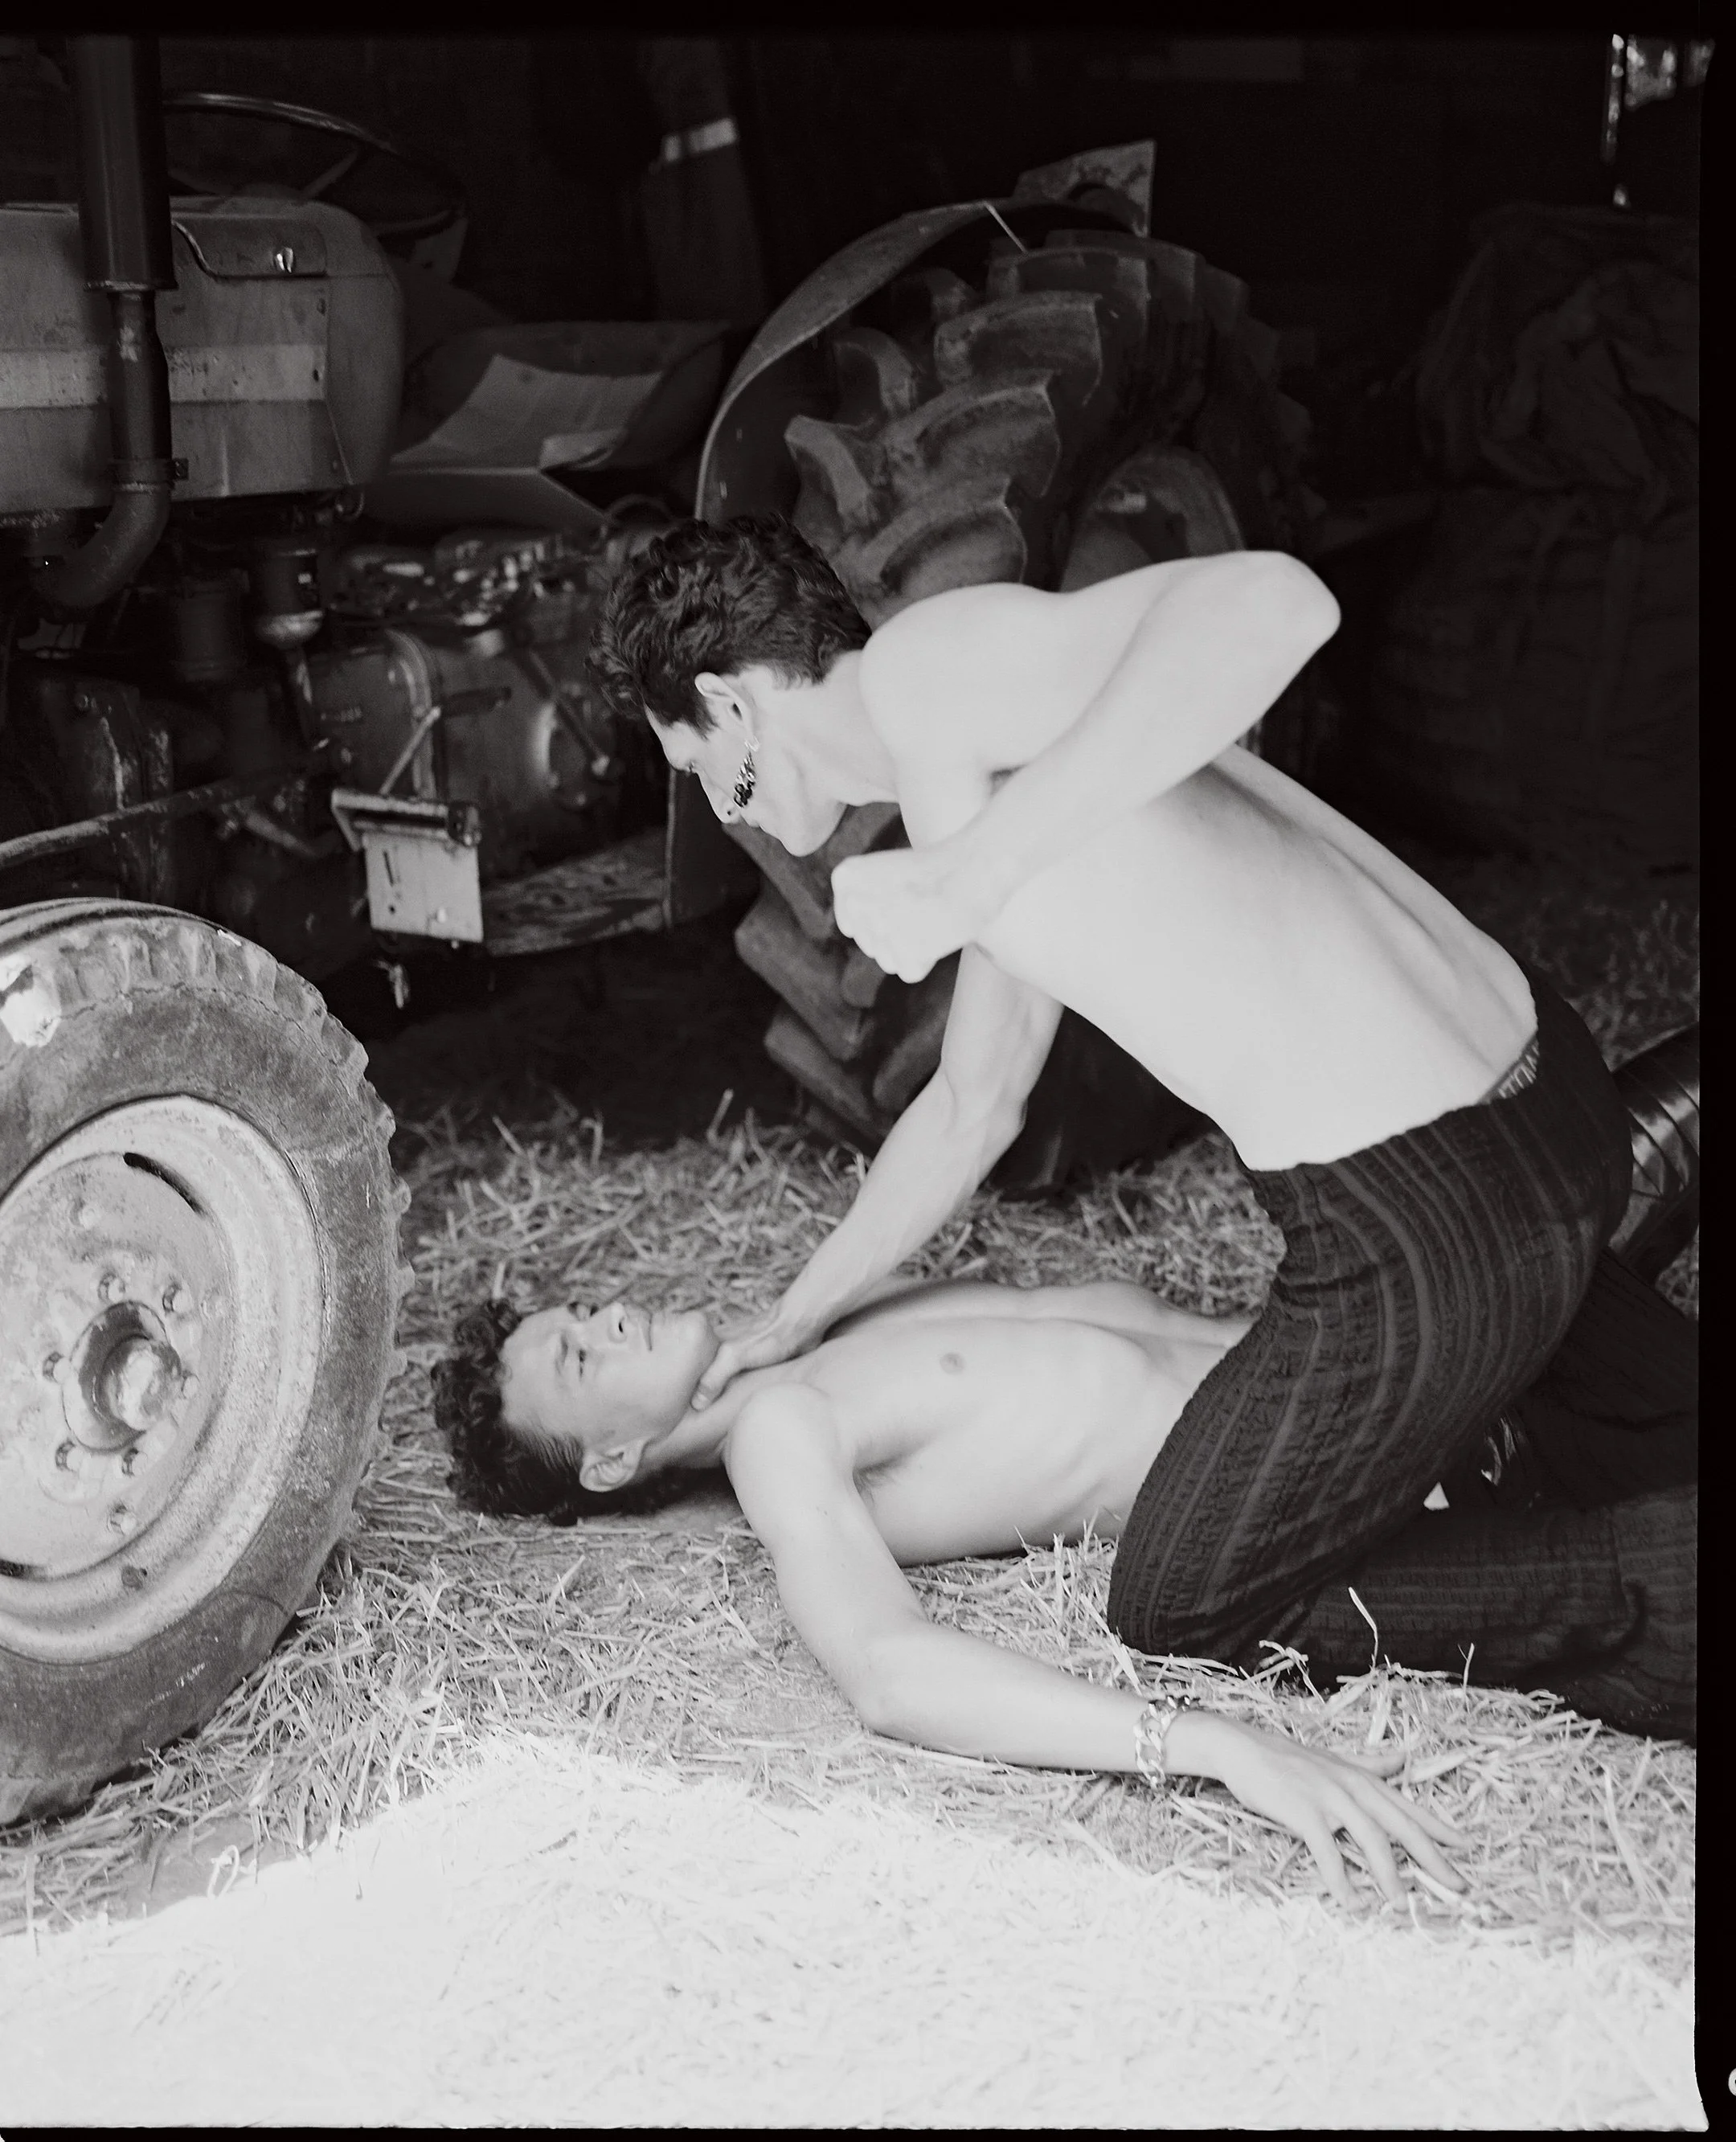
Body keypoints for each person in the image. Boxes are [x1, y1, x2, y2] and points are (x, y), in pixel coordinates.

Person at [587, 515, 1698, 1741]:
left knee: (1184, 1601)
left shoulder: (924, 673)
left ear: (730, 707)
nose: (720, 806)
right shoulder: (970, 767)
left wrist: (969, 880)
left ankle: (1663, 1580)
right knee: (1646, 1425)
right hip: (1541, 1113)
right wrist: (791, 1318)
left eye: (696, 770)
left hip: (1426, 1204)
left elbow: (1277, 605)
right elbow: (971, 1106)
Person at [436, 1272, 1465, 1909]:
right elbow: (891, 1673)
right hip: (1402, 1462)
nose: (614, 1313)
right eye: (583, 1352)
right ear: (611, 1461)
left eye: (583, 1308)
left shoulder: (830, 1325)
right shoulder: (779, 1436)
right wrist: (1213, 1745)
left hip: (1396, 1348)